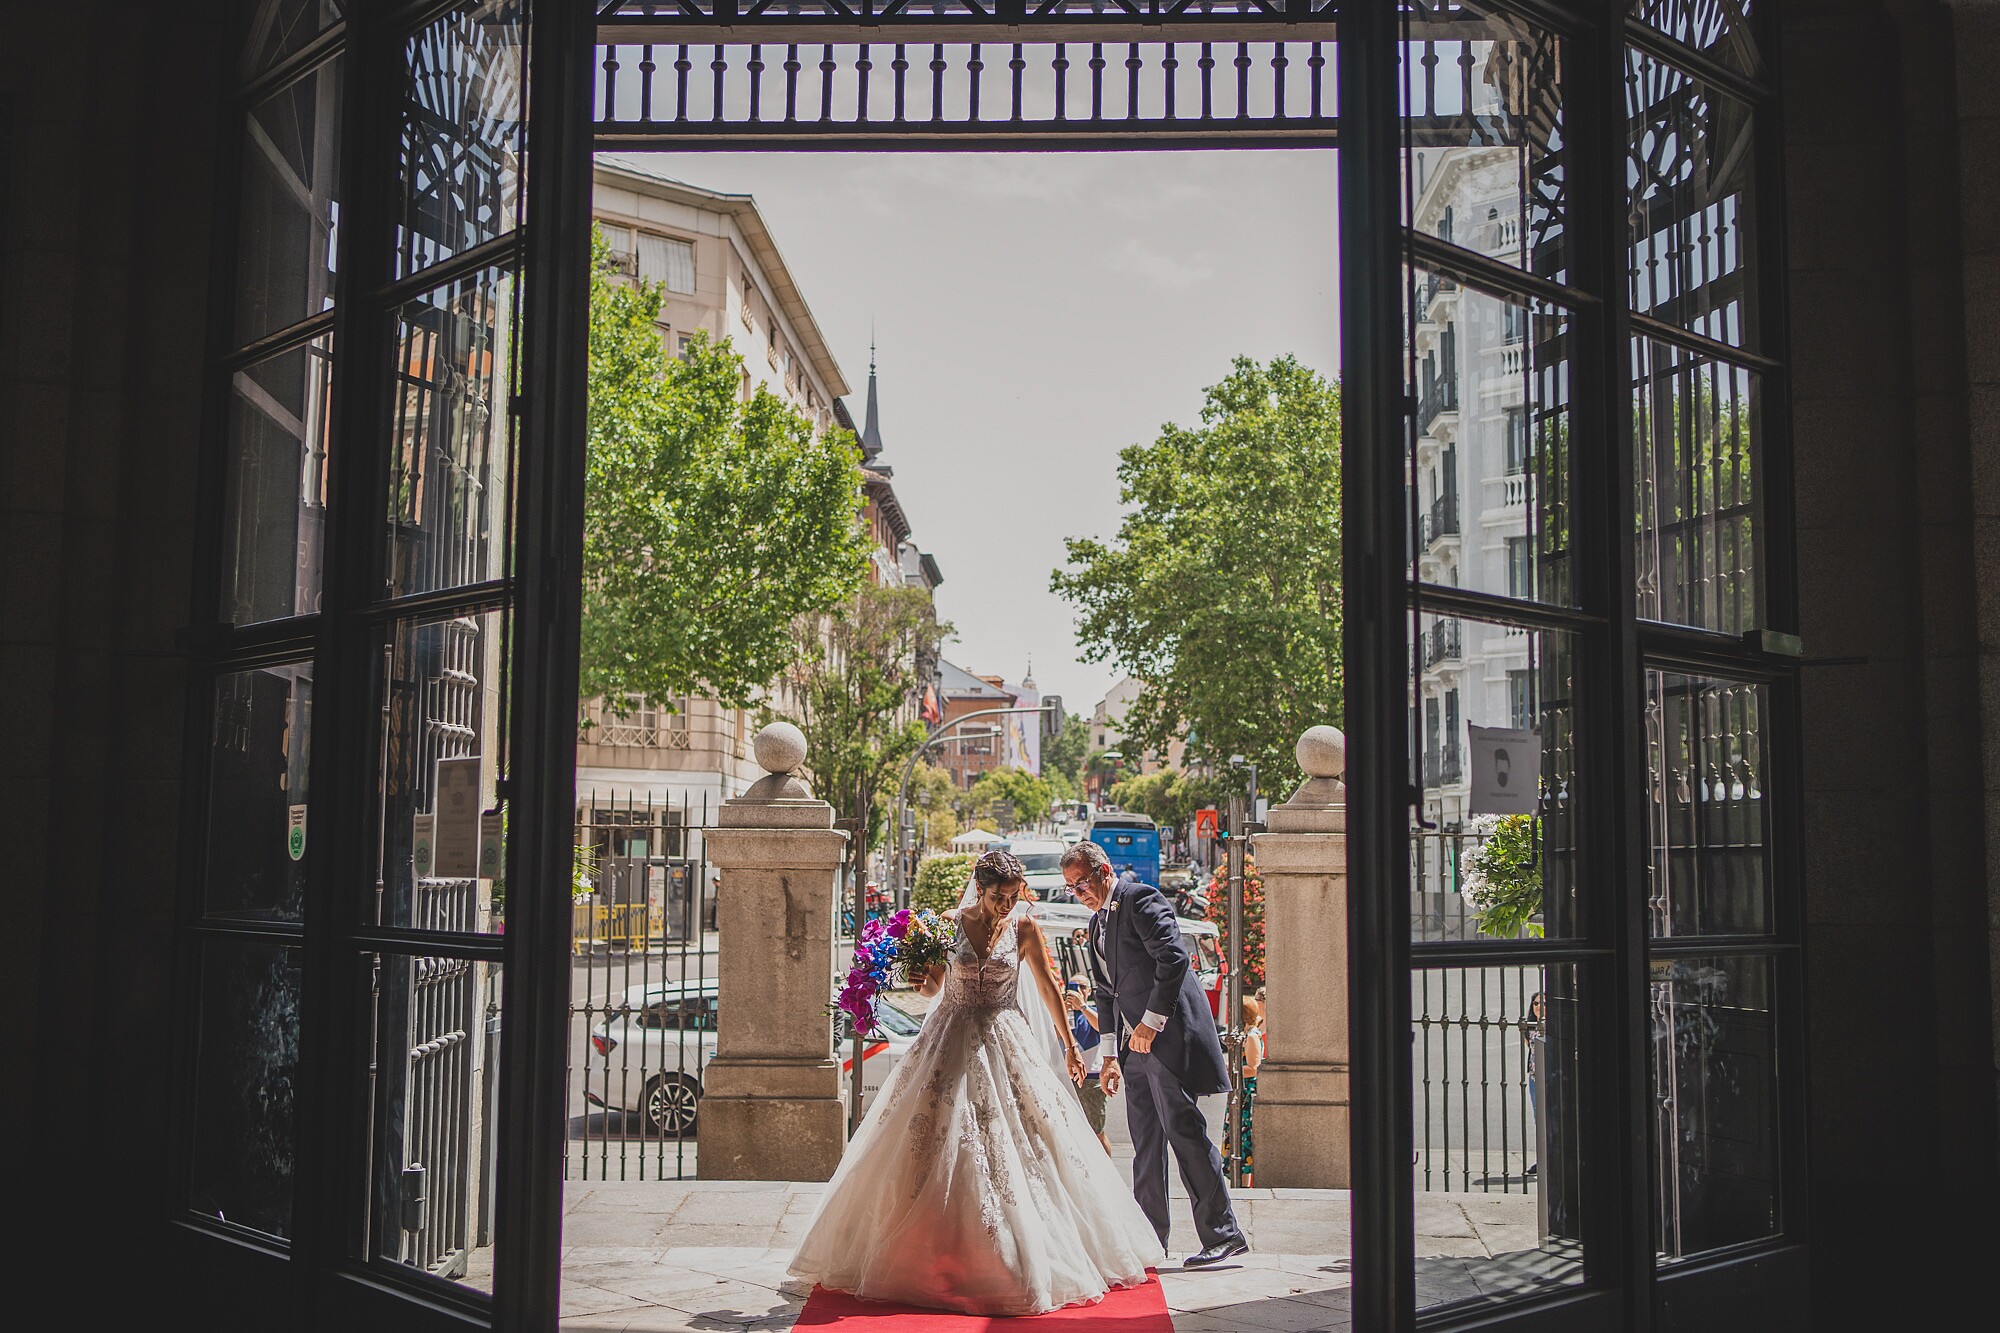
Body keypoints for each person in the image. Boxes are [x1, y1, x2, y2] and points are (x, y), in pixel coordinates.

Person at [787, 850, 1163, 1315]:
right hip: (950, 1033)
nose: (1006, 905)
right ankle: (934, 1253)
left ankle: (1022, 1251)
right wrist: (917, 974)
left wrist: (1068, 1043)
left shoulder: (1024, 926)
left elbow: (1046, 986)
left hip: (1006, 1035)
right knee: (939, 1138)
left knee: (1028, 1142)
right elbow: (931, 989)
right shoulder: (948, 923)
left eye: (1011, 896)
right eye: (998, 897)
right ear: (978, 888)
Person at [1063, 840, 1249, 1268]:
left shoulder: (1141, 898)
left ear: (1104, 870)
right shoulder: (1096, 926)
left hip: (1167, 1037)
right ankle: (1149, 1240)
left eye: (1083, 882)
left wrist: (1150, 1022)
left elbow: (1173, 959)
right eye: (1072, 887)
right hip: (1133, 1050)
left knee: (1183, 1131)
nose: (1079, 892)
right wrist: (1109, 1056)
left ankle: (1224, 1234)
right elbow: (1107, 992)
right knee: (1145, 1145)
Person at [1063, 976, 1113, 1152]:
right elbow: (1053, 1035)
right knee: (1070, 1133)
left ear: (1089, 991)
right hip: (1068, 1079)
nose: (1077, 990)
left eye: (1082, 987)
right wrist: (1063, 1009)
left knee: (1097, 1132)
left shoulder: (1093, 1011)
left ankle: (1108, 1171)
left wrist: (1082, 1006)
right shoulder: (1063, 1014)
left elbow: (1103, 1027)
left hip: (1091, 1079)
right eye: (1073, 987)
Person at [1238, 993, 1265, 1186]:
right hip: (1243, 1090)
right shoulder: (1249, 1033)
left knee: (1245, 1137)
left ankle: (1245, 1182)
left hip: (1247, 1091)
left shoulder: (1252, 1036)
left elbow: (1253, 1067)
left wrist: (1232, 1070)